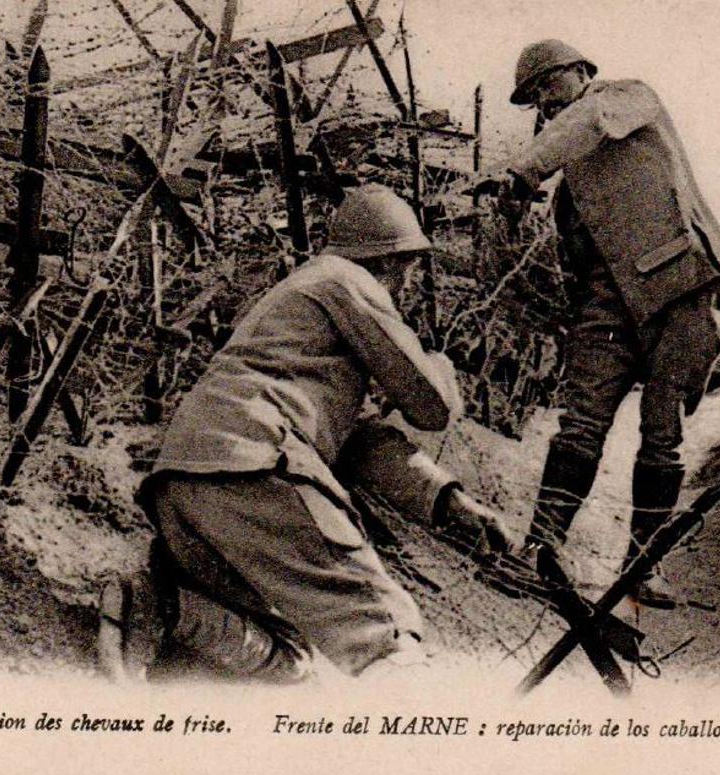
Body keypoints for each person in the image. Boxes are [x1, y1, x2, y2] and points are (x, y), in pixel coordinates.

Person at [97, 184, 512, 682]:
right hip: (259, 465)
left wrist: (444, 499)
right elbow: (433, 407)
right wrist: (440, 364)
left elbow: (354, 440)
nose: (407, 280)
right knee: (385, 632)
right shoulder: (344, 278)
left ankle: (161, 607)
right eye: (409, 264)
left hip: (185, 486)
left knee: (289, 656)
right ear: (393, 258)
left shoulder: (293, 324)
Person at [485, 40, 720, 607]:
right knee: (580, 426)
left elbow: (591, 120)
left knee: (662, 435)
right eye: (531, 99)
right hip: (606, 306)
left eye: (547, 87)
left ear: (581, 71)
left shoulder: (626, 98)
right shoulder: (568, 161)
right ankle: (539, 549)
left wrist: (523, 170)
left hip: (682, 290)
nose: (543, 106)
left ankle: (642, 568)